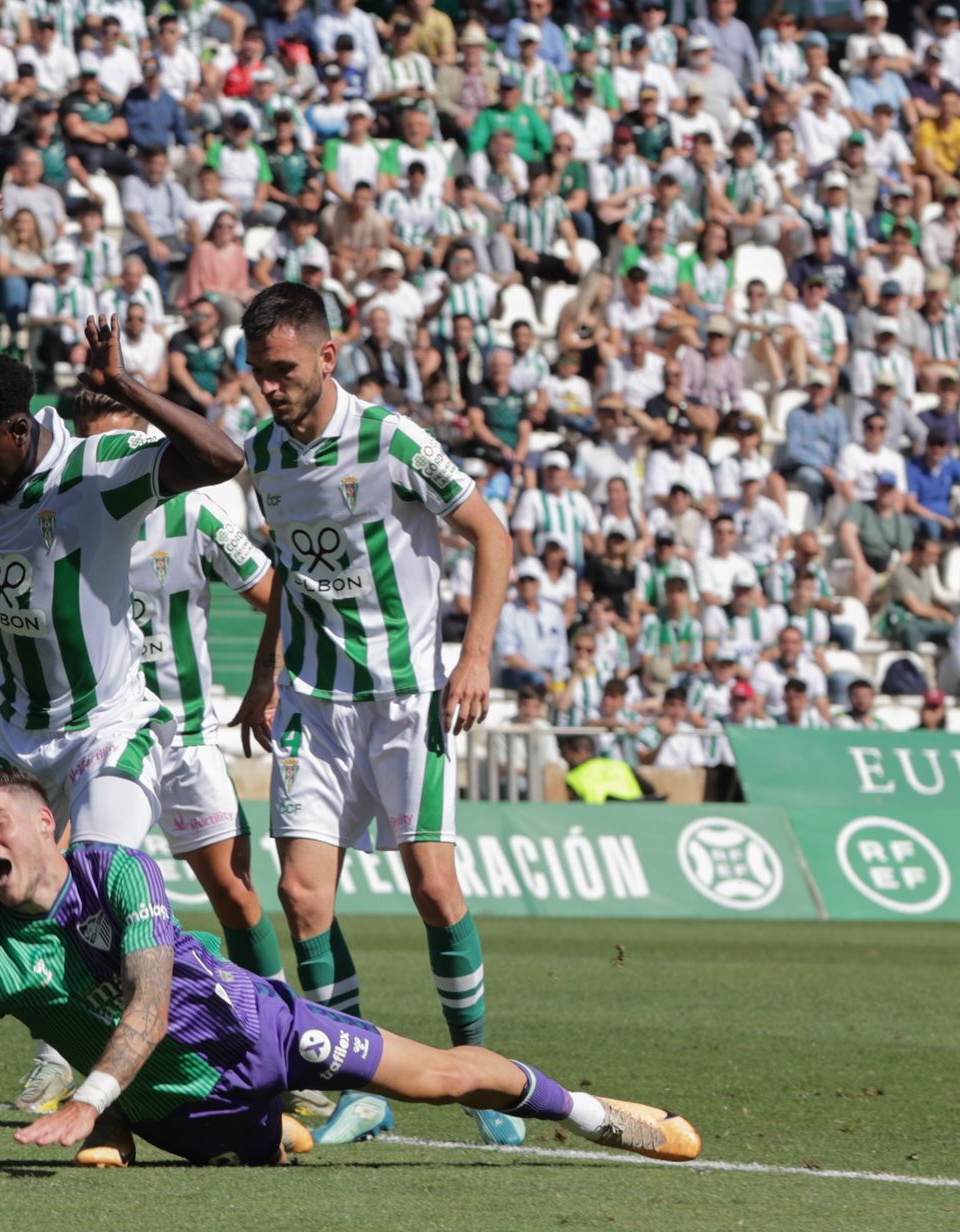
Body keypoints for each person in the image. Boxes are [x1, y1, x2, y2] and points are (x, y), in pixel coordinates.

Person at [0, 768, 701, 1175]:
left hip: (268, 1027)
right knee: (261, 1157)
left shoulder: (117, 871)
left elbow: (148, 1001)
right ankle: (265, 1130)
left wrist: (85, 1103)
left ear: (46, 822)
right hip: (181, 1109)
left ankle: (597, 1114)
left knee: (440, 1079)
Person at [0, 188, 247, 1114]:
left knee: (90, 904)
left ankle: (160, 1070)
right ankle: (69, 1043)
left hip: (104, 728)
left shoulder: (93, 474)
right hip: (15, 735)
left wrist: (129, 388)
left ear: (16, 431)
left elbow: (220, 461)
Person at [230, 283, 521, 1148]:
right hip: (314, 705)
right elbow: (288, 572)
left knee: (433, 888)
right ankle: (359, 1080)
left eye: (282, 370)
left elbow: (492, 533)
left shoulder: (390, 438)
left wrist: (474, 654)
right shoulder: (263, 455)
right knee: (300, 894)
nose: (269, 387)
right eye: (258, 373)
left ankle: (482, 1076)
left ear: (327, 356)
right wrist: (264, 671)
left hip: (403, 699)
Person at [80, 388, 286, 994]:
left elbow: (277, 594)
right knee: (79, 901)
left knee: (236, 893)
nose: (107, 459)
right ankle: (57, 1056)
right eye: (93, 448)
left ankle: (275, 1034)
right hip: (102, 737)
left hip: (187, 736)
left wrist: (264, 677)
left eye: (120, 446)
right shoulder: (63, 517)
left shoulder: (192, 515)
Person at [560, 733, 645, 803]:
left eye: (567, 753)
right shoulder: (621, 765)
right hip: (636, 809)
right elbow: (649, 790)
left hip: (601, 815)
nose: (565, 758)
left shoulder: (573, 776)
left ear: (581, 752)